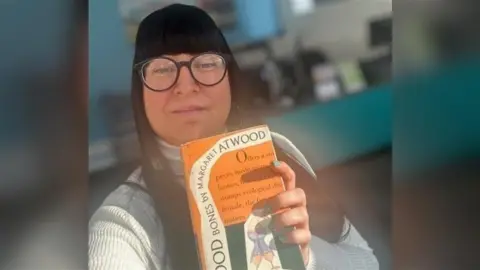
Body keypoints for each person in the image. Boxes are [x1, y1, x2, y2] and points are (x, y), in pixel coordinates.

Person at [89, 4, 378, 270]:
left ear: (230, 78)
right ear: (140, 93)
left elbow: (367, 262)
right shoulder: (123, 222)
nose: (186, 86)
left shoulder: (280, 157)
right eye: (162, 69)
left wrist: (309, 255)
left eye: (205, 63)